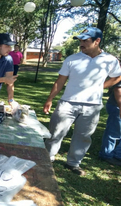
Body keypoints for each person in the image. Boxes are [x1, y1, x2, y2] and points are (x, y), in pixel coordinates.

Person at [43, 27, 121, 176]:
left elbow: (118, 78)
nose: (81, 44)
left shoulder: (110, 60)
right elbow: (60, 81)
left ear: (97, 41)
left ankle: (73, 163)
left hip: (92, 107)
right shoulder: (72, 59)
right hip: (67, 103)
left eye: (85, 41)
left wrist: (102, 86)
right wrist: (50, 99)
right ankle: (47, 158)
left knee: (83, 136)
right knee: (55, 132)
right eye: (80, 41)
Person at [99, 81, 121, 166]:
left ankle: (118, 155)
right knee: (114, 132)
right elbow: (118, 89)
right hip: (117, 107)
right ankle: (106, 155)